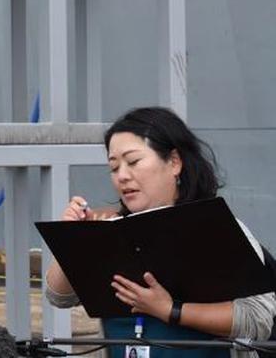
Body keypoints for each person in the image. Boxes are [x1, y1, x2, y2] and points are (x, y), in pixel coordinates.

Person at [45, 107, 276, 358]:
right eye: (114, 168)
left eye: (133, 162)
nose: (122, 176)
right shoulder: (111, 229)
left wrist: (170, 309)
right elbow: (59, 297)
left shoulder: (215, 227)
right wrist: (74, 240)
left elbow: (258, 318)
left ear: (174, 162)